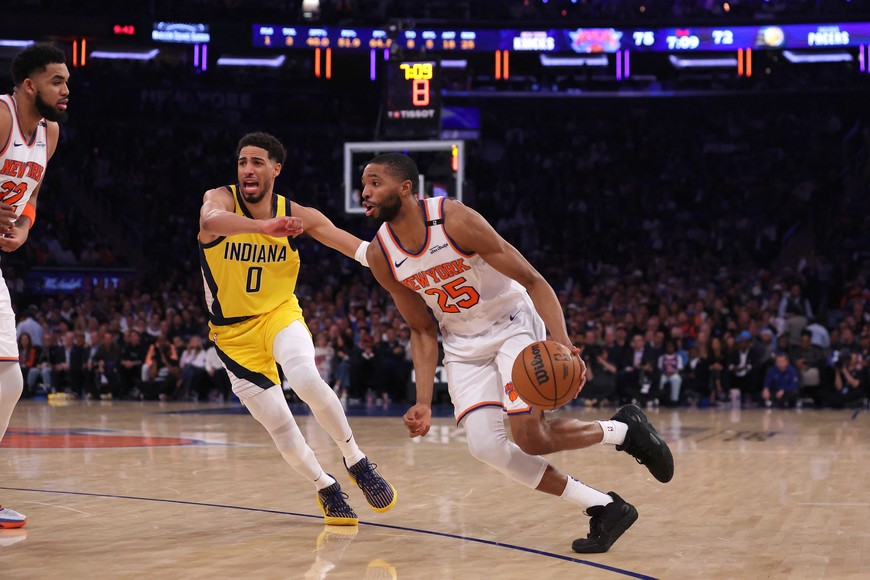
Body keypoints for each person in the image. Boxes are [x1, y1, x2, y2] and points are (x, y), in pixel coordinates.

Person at [360, 153, 673, 553]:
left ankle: (623, 432)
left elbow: (533, 280)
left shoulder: (455, 220)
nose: (365, 192)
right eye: (364, 184)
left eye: (374, 183)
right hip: (462, 343)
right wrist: (422, 400)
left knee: (530, 437)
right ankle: (605, 503)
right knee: (486, 447)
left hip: (511, 324)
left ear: (405, 188)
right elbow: (420, 329)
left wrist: (564, 345)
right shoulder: (380, 255)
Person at [198, 132, 395, 525]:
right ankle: (325, 485)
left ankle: (355, 458)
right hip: (232, 336)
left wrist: (403, 264)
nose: (247, 169)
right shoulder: (220, 200)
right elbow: (209, 219)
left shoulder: (297, 213)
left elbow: (358, 249)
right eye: (242, 162)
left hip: (279, 314)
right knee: (279, 424)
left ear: (276, 169)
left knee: (305, 377)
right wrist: (264, 228)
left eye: (257, 162)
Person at [0, 43, 69, 529]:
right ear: (29, 85)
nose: (67, 90)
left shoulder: (52, 133)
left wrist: (24, 225)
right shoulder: (1, 117)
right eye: (57, 81)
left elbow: (32, 193)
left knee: (10, 380)